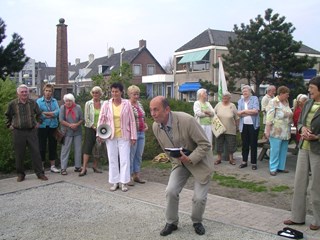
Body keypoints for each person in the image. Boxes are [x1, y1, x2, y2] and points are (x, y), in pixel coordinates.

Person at [150, 96, 214, 236]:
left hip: (200, 162)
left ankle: (197, 221)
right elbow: (165, 148)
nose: (153, 113)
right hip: (180, 162)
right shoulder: (156, 126)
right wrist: (176, 161)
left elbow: (205, 144)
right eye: (151, 110)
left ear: (167, 109)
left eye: (156, 109)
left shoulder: (187, 120)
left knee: (199, 198)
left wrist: (190, 158)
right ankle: (171, 222)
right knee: (171, 190)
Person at [283, 76, 320, 230]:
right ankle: (297, 217)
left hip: (317, 149)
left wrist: (317, 136)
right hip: (303, 147)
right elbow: (299, 123)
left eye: (311, 88)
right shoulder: (308, 103)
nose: (309, 90)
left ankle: (317, 220)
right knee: (299, 184)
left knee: (316, 187)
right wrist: (302, 129)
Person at [97, 83, 137, 192]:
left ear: (121, 92)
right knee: (112, 159)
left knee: (125, 159)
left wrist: (133, 136)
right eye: (113, 91)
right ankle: (115, 182)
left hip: (124, 136)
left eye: (117, 91)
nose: (114, 93)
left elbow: (132, 120)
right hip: (110, 136)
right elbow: (101, 119)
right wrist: (99, 134)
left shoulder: (127, 104)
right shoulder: (106, 104)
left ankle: (124, 182)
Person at [5, 84, 48, 182]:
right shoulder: (12, 104)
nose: (24, 93)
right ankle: (20, 174)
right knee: (19, 154)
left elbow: (40, 114)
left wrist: (39, 123)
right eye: (22, 92)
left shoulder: (33, 103)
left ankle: (40, 173)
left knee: (36, 153)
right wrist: (9, 125)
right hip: (18, 132)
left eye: (26, 92)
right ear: (18, 93)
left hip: (31, 131)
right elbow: (7, 116)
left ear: (28, 93)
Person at [265, 86, 293, 176]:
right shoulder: (273, 102)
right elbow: (269, 118)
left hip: (286, 131)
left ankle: (281, 167)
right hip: (276, 131)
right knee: (275, 150)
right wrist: (267, 131)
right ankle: (273, 168)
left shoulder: (286, 102)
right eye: (286, 94)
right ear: (281, 94)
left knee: (283, 150)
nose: (288, 96)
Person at [79, 86, 104, 177]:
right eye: (93, 93)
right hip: (90, 128)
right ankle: (84, 168)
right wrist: (93, 126)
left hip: (101, 128)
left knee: (99, 146)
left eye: (97, 93)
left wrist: (100, 127)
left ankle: (95, 166)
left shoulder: (104, 103)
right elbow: (86, 118)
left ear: (100, 94)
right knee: (87, 147)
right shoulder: (88, 103)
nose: (95, 94)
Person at [36, 83, 60, 173]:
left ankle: (52, 166)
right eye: (46, 91)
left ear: (52, 92)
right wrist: (51, 114)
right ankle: (41, 166)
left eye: (50, 91)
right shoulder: (39, 101)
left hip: (53, 126)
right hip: (42, 127)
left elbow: (57, 112)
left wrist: (46, 113)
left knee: (52, 146)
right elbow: (39, 113)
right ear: (43, 91)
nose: (48, 93)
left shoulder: (54, 101)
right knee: (42, 146)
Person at [127, 85, 148, 186]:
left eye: (137, 94)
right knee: (131, 155)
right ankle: (129, 176)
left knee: (139, 155)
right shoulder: (127, 105)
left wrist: (146, 124)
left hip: (141, 132)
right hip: (132, 134)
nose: (136, 96)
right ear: (129, 94)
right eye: (134, 94)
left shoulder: (139, 104)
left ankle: (137, 175)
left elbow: (143, 117)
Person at [59, 93, 83, 175]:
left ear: (73, 101)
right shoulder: (62, 108)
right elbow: (61, 120)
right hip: (66, 132)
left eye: (70, 101)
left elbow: (81, 119)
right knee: (65, 150)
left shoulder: (78, 107)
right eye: (66, 101)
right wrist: (70, 125)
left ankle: (78, 166)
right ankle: (63, 168)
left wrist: (76, 124)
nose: (68, 103)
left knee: (78, 149)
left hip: (77, 131)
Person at [237, 85, 260, 170]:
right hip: (244, 125)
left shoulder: (254, 99)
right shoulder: (240, 101)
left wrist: (244, 111)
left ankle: (254, 163)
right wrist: (248, 112)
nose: (244, 93)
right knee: (245, 144)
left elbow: (256, 111)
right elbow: (238, 113)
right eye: (243, 92)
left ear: (250, 92)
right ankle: (244, 161)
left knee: (253, 144)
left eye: (246, 91)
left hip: (253, 125)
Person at [214, 91, 239, 165]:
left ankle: (231, 159)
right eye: (223, 97)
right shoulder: (218, 105)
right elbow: (213, 114)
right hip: (219, 129)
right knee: (219, 143)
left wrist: (237, 127)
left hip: (230, 128)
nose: (224, 98)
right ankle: (219, 159)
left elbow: (237, 117)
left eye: (226, 97)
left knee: (231, 144)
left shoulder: (232, 105)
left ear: (229, 98)